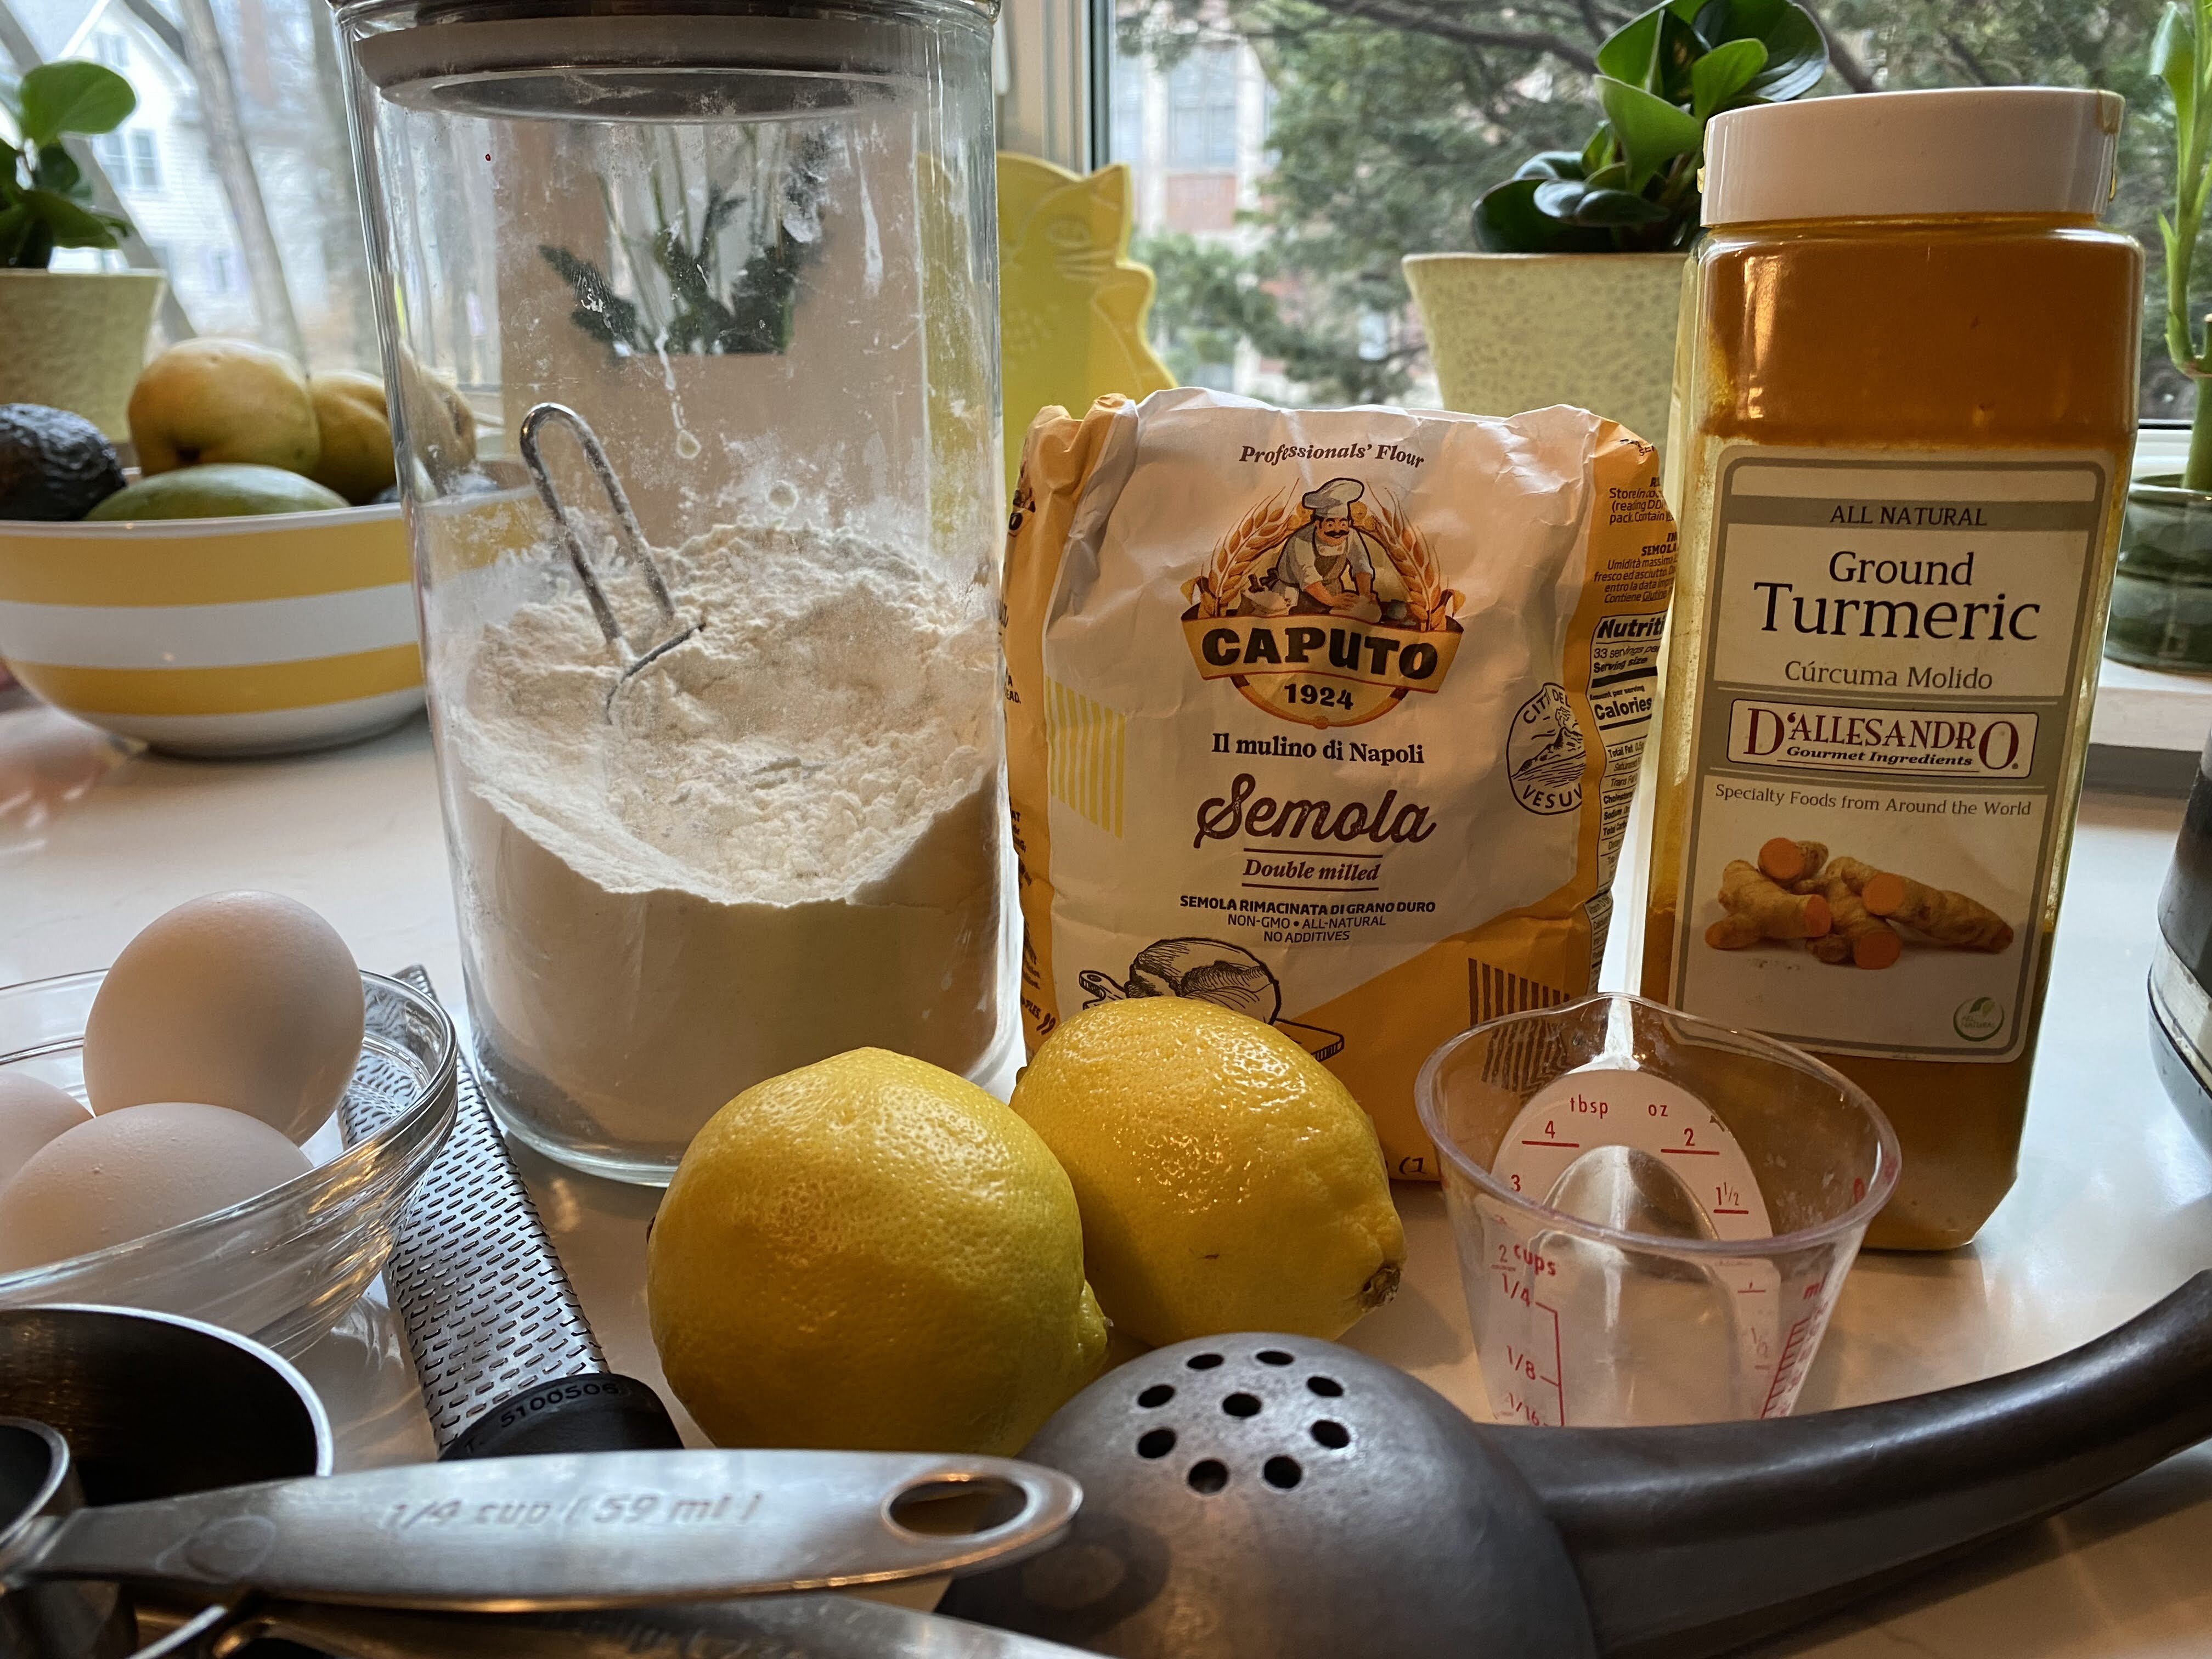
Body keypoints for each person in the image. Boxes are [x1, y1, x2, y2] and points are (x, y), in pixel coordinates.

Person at [1244, 478, 1410, 623]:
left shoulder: (1351, 535)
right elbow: (1308, 577)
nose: (1338, 530)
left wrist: (1365, 595)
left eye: (1343, 523)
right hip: (1294, 597)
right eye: (1331, 524)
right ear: (1318, 524)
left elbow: (1361, 565)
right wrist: (1331, 600)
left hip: (1332, 593)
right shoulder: (1301, 541)